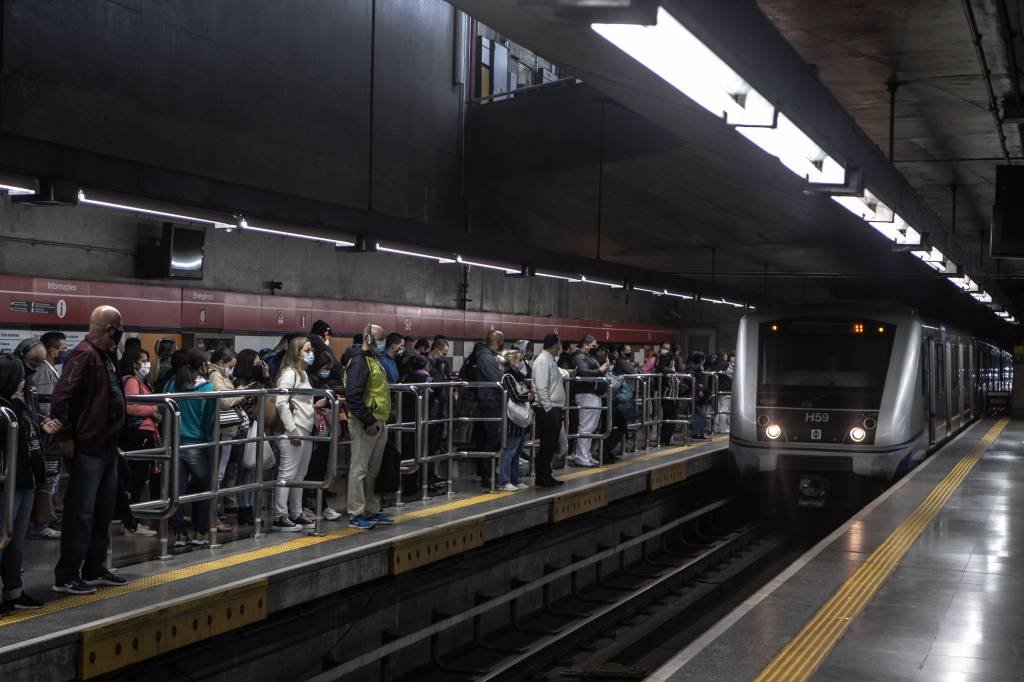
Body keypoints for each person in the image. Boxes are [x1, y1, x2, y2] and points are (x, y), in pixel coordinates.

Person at [51, 305, 129, 594]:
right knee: (80, 513)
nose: (117, 338)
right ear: (109, 329)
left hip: (106, 447)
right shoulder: (85, 355)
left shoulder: (105, 356)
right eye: (116, 331)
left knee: (101, 512)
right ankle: (67, 574)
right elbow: (61, 398)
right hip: (88, 447)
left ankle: (94, 567)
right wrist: (66, 438)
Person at [0, 353, 54, 613]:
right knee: (1, 538)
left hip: (26, 480)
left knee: (16, 539)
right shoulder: (3, 410)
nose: (25, 382)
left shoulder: (20, 407)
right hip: (6, 483)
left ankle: (13, 590)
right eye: (20, 377)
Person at [164, 348, 218, 547]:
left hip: (176, 441)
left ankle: (178, 533)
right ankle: (201, 532)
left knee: (176, 488)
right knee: (203, 488)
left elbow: (163, 408)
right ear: (203, 366)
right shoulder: (206, 388)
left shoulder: (172, 384)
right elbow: (209, 417)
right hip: (199, 442)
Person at [343, 325, 393, 530]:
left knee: (371, 470)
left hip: (378, 422)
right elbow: (352, 397)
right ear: (370, 338)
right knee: (359, 469)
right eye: (380, 339)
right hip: (366, 424)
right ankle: (356, 512)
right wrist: (368, 420)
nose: (383, 344)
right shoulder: (359, 362)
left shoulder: (373, 360)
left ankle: (371, 509)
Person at [272, 337, 323, 532]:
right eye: (307, 350)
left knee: (299, 474)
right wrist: (291, 429)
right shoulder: (289, 373)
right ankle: (280, 515)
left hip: (305, 428)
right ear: (297, 352)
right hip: (293, 430)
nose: (311, 353)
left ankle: (296, 512)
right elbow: (281, 402)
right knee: (287, 473)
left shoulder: (302, 373)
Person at [16, 337, 62, 540]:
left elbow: (32, 408)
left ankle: (36, 523)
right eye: (33, 364)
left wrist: (42, 420)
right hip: (22, 442)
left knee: (43, 481)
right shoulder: (14, 376)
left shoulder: (33, 375)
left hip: (37, 435)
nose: (36, 369)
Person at [117, 348, 159, 537]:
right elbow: (131, 406)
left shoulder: (133, 379)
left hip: (139, 433)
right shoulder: (132, 381)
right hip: (139, 434)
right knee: (136, 479)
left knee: (136, 479)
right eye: (143, 360)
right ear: (135, 363)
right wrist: (153, 409)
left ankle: (130, 521)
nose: (146, 364)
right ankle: (131, 523)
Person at [232, 349, 273, 526]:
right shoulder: (243, 385)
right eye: (257, 362)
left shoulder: (254, 382)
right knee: (245, 470)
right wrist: (265, 379)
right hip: (246, 429)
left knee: (249, 471)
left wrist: (266, 377)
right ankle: (244, 509)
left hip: (253, 429)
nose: (260, 365)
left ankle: (247, 508)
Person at [207, 348, 242, 532]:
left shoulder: (219, 374)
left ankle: (214, 512)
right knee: (218, 474)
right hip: (222, 429)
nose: (231, 370)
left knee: (219, 473)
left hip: (227, 429)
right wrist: (241, 393)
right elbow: (224, 401)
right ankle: (212, 515)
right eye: (230, 366)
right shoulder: (215, 375)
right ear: (221, 362)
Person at [532, 333, 566, 488]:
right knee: (547, 444)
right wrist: (548, 408)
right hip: (548, 409)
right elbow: (541, 386)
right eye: (559, 344)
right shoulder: (542, 361)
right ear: (554, 345)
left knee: (551, 444)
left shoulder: (549, 360)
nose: (560, 347)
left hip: (553, 408)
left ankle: (547, 474)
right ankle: (542, 477)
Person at [571, 335, 609, 467]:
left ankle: (585, 454)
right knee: (586, 427)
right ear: (585, 345)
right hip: (586, 394)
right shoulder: (579, 357)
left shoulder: (588, 356)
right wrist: (600, 369)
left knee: (591, 427)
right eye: (593, 345)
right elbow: (583, 372)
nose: (595, 347)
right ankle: (581, 456)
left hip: (593, 394)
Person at [497, 349, 532, 492]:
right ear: (512, 362)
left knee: (517, 452)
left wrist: (529, 395)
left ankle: (514, 479)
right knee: (510, 451)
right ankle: (504, 481)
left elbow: (529, 392)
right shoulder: (508, 377)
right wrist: (528, 396)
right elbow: (516, 396)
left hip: (521, 419)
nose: (522, 362)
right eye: (519, 360)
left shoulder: (519, 376)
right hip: (512, 420)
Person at [475, 330, 505, 488]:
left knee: (495, 439)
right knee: (493, 439)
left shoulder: (491, 356)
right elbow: (497, 379)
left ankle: (491, 474)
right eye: (502, 340)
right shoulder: (487, 358)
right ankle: (488, 476)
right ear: (497, 341)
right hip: (490, 402)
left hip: (494, 402)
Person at [657, 344, 680, 447]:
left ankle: (665, 440)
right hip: (668, 392)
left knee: (670, 417)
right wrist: (672, 371)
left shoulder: (668, 358)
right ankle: (665, 440)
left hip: (671, 392)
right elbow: (662, 368)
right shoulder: (668, 359)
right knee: (670, 417)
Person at [687, 351, 710, 440]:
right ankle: (700, 434)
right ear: (700, 360)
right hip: (694, 394)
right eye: (703, 359)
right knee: (702, 414)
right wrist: (699, 390)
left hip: (696, 393)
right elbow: (692, 380)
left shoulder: (696, 367)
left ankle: (697, 434)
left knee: (697, 414)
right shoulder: (691, 368)